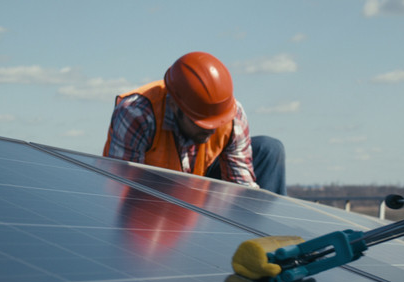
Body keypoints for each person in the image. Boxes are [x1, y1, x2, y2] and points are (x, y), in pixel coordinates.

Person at [104, 51, 287, 195]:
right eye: (201, 123)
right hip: (148, 196)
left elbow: (241, 187)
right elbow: (123, 189)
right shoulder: (137, 113)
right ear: (175, 106)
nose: (212, 130)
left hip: (199, 189)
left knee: (269, 149)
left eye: (216, 123)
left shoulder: (232, 114)